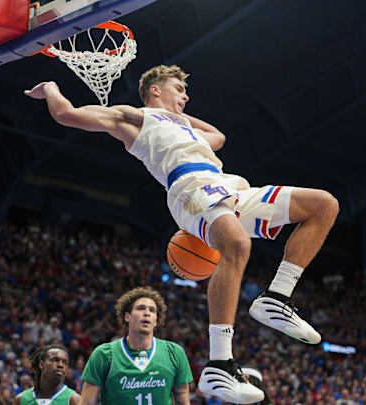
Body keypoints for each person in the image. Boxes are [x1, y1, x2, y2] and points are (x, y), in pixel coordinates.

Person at [25, 64, 339, 403]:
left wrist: (182, 119)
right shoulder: (135, 117)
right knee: (236, 244)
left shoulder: (185, 127)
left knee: (323, 205)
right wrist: (52, 89)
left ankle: (277, 297)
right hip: (190, 187)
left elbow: (219, 137)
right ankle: (219, 363)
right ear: (156, 90)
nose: (186, 96)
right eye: (179, 88)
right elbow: (67, 115)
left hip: (226, 187)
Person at [78, 287, 192, 405]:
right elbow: (86, 403)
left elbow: (183, 400)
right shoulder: (104, 354)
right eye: (141, 308)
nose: (147, 313)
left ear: (156, 320)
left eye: (152, 310)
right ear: (127, 317)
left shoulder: (174, 352)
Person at [12, 345, 79, 405]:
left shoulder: (73, 399)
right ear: (41, 364)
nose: (61, 365)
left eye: (65, 362)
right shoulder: (20, 400)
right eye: (55, 360)